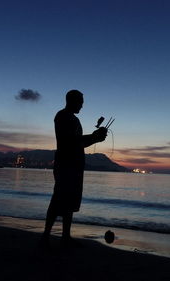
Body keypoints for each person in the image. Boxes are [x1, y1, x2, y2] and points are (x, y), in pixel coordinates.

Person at [41, 89, 107, 246]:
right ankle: (46, 236)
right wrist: (94, 137)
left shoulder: (73, 119)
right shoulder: (63, 116)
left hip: (74, 164)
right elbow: (71, 141)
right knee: (58, 199)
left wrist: (95, 138)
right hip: (66, 164)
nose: (82, 106)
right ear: (72, 101)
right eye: (81, 102)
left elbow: (79, 142)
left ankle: (65, 236)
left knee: (69, 200)